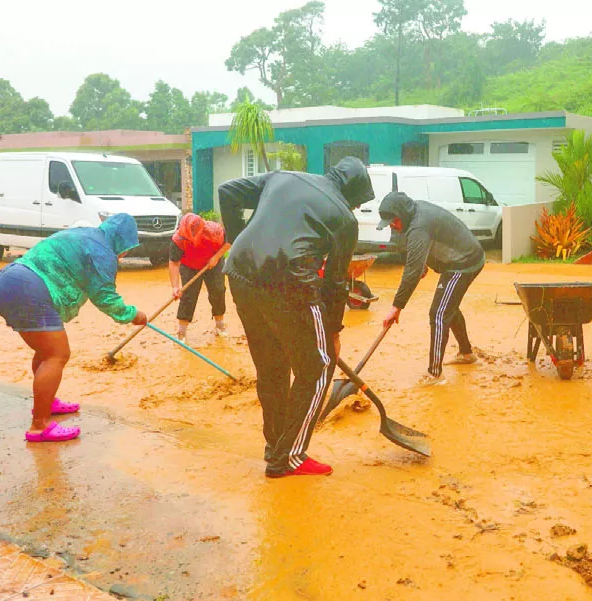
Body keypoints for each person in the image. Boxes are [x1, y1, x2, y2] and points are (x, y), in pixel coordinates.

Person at [217, 157, 374, 478]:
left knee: (271, 365)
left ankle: (276, 445)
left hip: (239, 271)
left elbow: (227, 191)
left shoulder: (283, 177)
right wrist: (333, 332)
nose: (355, 209)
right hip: (290, 280)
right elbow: (336, 282)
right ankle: (288, 457)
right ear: (354, 194)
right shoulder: (345, 219)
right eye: (357, 204)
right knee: (318, 367)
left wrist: (239, 237)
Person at [0, 213, 148, 442]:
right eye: (128, 247)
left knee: (45, 352)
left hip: (8, 280)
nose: (125, 254)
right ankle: (39, 426)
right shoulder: (103, 251)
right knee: (57, 354)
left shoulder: (85, 235)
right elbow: (105, 297)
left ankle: (48, 403)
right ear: (122, 240)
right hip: (27, 288)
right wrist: (134, 315)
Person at [378, 191, 486, 387]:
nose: (391, 226)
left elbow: (411, 272)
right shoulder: (414, 213)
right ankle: (466, 353)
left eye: (393, 221)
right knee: (447, 306)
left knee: (438, 314)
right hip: (460, 258)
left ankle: (434, 374)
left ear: (401, 214)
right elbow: (421, 253)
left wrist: (396, 307)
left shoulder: (418, 226)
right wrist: (423, 264)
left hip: (464, 263)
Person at [168, 213, 232, 342]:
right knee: (188, 295)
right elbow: (174, 263)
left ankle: (220, 325)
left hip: (213, 261)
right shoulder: (178, 240)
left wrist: (216, 257)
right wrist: (175, 287)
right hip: (189, 265)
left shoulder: (215, 231)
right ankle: (182, 332)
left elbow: (229, 242)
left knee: (218, 290)